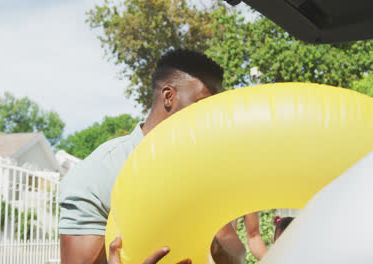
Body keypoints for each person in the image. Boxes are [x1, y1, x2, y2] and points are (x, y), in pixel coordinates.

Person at [59, 49, 245, 264]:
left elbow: (236, 253)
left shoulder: (206, 168)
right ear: (168, 97)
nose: (210, 117)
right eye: (203, 105)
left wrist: (214, 244)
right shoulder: (99, 173)